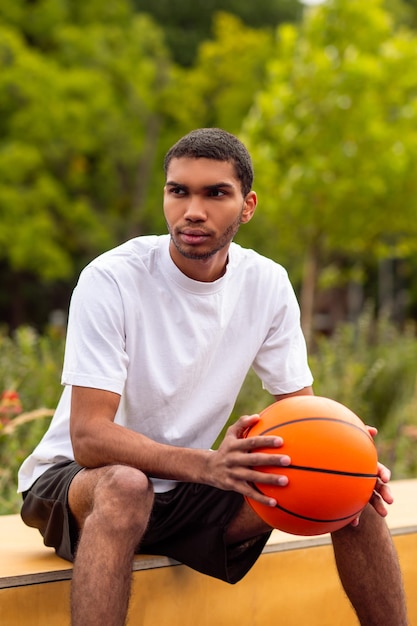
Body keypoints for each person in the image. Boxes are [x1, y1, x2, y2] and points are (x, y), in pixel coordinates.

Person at [18, 128, 407, 626]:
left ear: (247, 206)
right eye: (178, 191)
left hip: (190, 489)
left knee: (353, 492)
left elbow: (304, 416)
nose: (192, 210)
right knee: (128, 488)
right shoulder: (111, 279)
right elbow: (90, 437)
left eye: (215, 193)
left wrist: (348, 458)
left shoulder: (266, 283)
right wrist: (206, 465)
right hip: (77, 485)